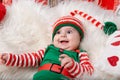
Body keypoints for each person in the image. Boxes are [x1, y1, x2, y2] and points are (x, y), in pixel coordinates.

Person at [0, 16, 94, 80]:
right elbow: (30, 58)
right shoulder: (49, 49)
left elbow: (89, 73)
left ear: (79, 38)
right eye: (58, 32)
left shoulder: (80, 53)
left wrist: (73, 66)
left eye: (69, 32)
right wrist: (11, 58)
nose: (63, 35)